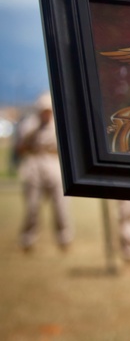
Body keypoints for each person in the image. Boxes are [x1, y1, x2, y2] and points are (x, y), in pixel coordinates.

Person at [14, 92, 73, 252]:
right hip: (34, 164)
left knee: (61, 206)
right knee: (32, 206)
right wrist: (32, 132)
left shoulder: (59, 124)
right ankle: (28, 240)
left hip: (54, 164)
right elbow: (20, 148)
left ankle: (64, 239)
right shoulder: (29, 124)